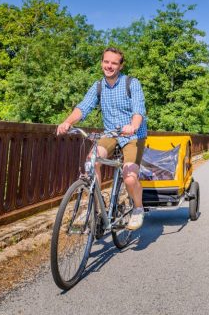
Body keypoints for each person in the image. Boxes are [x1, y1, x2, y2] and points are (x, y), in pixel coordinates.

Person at [56, 47, 148, 230]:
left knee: (129, 177)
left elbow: (139, 111)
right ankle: (95, 210)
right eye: (106, 62)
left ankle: (138, 208)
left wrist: (134, 125)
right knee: (91, 162)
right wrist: (67, 122)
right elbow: (83, 107)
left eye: (114, 63)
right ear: (101, 63)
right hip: (111, 134)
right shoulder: (98, 86)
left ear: (121, 66)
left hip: (132, 135)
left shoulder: (131, 83)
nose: (109, 66)